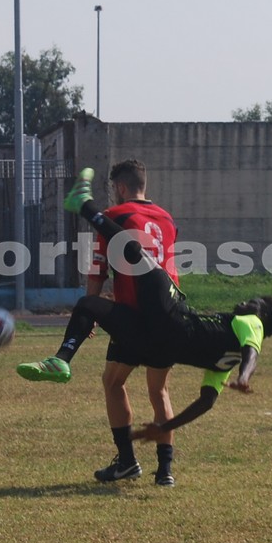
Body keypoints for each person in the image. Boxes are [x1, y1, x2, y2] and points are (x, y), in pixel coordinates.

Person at [18, 169, 272, 459]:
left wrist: (246, 377)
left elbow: (252, 352)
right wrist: (164, 427)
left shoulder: (252, 324)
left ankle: (83, 205)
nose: (246, 302)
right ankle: (62, 362)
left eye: (254, 302)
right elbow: (206, 402)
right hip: (156, 344)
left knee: (134, 251)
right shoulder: (223, 365)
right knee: (89, 307)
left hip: (169, 314)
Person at [82, 159, 182, 485]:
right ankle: (165, 471)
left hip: (134, 316)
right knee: (159, 391)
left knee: (113, 383)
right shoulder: (167, 219)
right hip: (169, 314)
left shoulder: (113, 218)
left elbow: (98, 270)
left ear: (121, 188)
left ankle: (126, 461)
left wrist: (90, 312)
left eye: (114, 189)